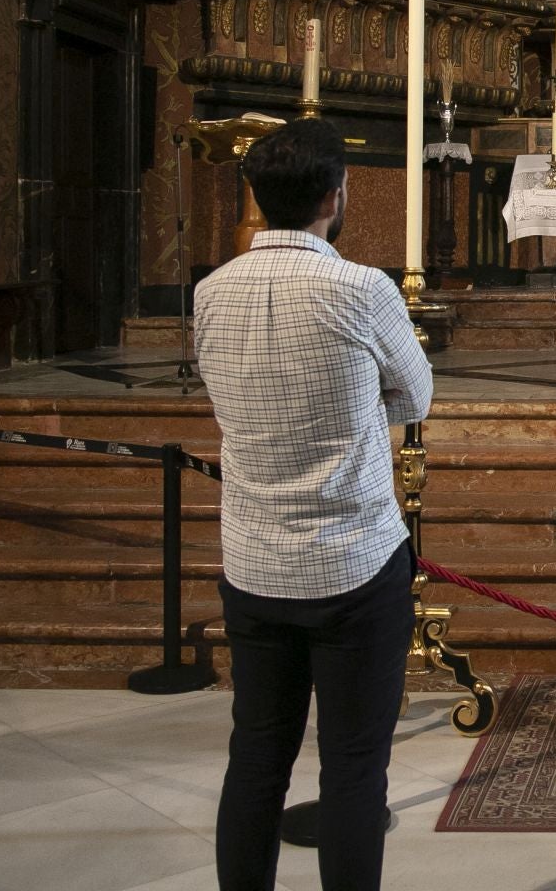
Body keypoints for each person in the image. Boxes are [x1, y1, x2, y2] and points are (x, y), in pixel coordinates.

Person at [194, 118, 432, 891]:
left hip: (255, 563)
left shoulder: (209, 290)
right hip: (356, 563)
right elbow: (416, 395)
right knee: (355, 770)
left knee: (256, 758)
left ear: (257, 198)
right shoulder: (362, 288)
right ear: (336, 196)